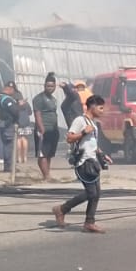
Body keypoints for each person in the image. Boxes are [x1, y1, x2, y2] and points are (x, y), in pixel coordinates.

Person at [53, 95, 110, 234]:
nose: (103, 111)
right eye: (101, 108)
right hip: (83, 162)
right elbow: (69, 138)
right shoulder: (80, 120)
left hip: (93, 161)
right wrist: (84, 132)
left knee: (96, 194)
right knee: (91, 193)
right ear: (92, 107)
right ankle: (62, 209)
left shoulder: (93, 123)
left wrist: (102, 155)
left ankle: (89, 223)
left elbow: (92, 144)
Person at [32, 73, 61, 182]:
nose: (50, 88)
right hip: (44, 130)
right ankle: (46, 176)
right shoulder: (39, 98)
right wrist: (41, 128)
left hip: (53, 130)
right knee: (42, 153)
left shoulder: (53, 99)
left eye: (52, 86)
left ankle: (47, 174)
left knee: (49, 154)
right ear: (44, 86)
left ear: (55, 86)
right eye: (48, 86)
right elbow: (37, 114)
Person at [0, 81, 20, 177]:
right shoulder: (7, 99)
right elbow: (14, 111)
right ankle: (9, 166)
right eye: (13, 90)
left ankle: (8, 165)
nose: (14, 93)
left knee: (6, 145)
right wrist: (18, 106)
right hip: (8, 124)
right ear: (10, 89)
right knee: (9, 146)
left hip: (2, 123)